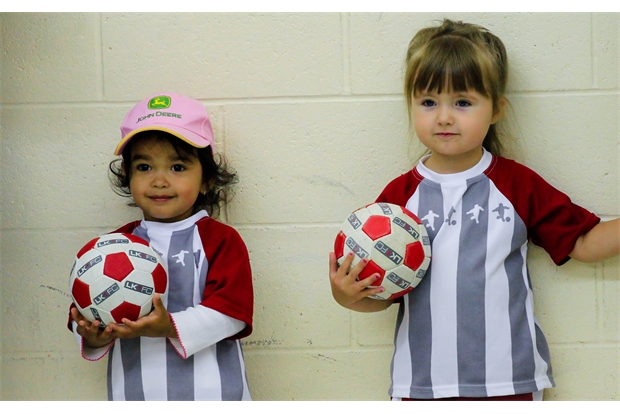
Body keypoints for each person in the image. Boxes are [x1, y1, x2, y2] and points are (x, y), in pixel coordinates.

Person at [329, 19, 619, 401]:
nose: (444, 116)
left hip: (509, 381)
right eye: (429, 102)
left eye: (463, 102)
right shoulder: (396, 201)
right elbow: (381, 294)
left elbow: (582, 241)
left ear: (496, 109)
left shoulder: (516, 185)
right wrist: (347, 296)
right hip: (421, 385)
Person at [68, 92, 254, 401]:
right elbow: (84, 312)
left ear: (206, 179)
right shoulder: (111, 248)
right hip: (136, 394)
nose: (159, 180)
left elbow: (232, 314)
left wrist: (169, 326)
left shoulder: (220, 239)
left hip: (214, 394)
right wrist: (93, 335)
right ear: (127, 175)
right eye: (144, 167)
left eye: (177, 167)